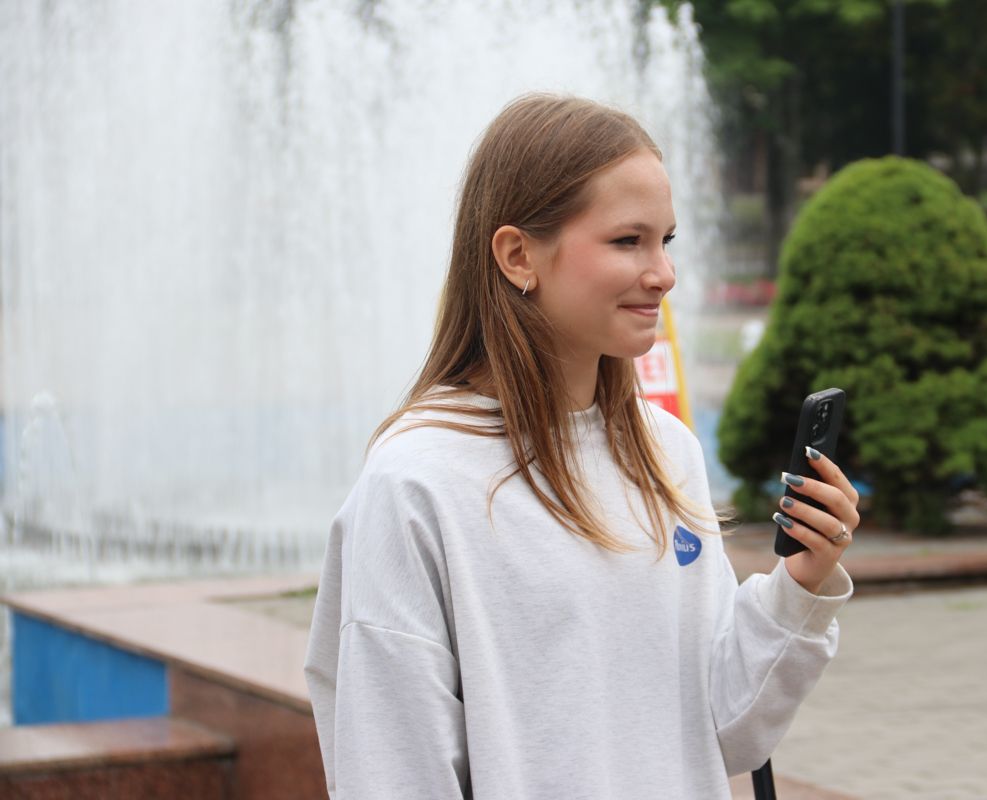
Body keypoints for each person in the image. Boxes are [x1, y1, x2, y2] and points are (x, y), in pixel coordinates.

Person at [303, 94, 857, 800]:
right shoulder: (417, 482)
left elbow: (724, 733)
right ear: (517, 256)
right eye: (628, 241)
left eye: (666, 240)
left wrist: (801, 582)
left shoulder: (667, 453)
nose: (663, 273)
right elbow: (393, 769)